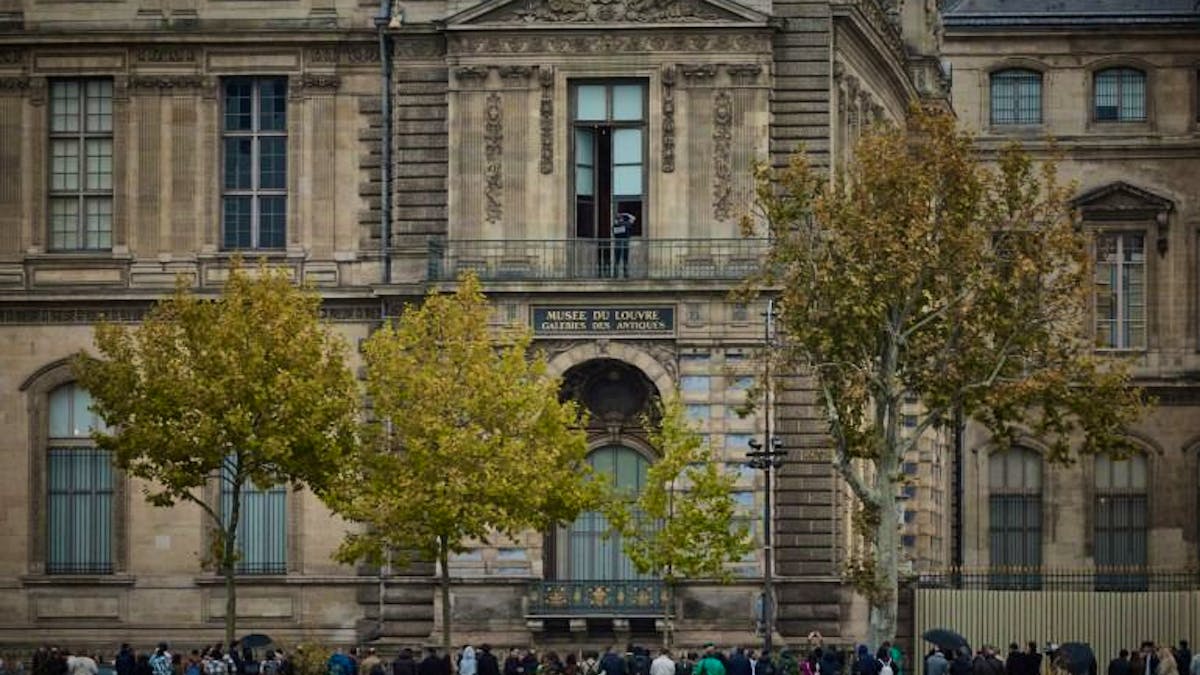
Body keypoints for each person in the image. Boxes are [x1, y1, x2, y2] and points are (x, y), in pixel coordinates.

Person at [611, 212, 635, 278]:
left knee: (617, 260)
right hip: (625, 244)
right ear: (622, 218)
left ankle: (615, 274)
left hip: (617, 244)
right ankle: (626, 274)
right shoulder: (626, 224)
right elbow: (633, 218)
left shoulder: (615, 225)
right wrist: (626, 214)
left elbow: (614, 233)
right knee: (625, 259)